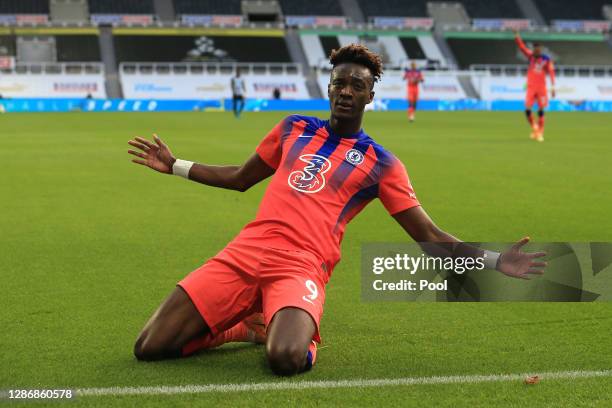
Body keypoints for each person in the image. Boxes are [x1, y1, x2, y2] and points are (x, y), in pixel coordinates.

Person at [127, 44, 546, 376]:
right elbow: (239, 176)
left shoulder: (383, 164)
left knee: (285, 360)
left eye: (356, 86)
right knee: (150, 348)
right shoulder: (293, 128)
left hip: (301, 266)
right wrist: (176, 165)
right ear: (328, 87)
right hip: (246, 252)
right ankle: (242, 327)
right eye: (339, 82)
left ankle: (273, 329)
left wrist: (495, 262)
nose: (346, 91)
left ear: (370, 96)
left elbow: (431, 238)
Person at [514, 30, 556, 142]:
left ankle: (540, 132)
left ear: (541, 49)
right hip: (531, 87)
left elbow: (551, 73)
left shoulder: (546, 60)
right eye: (534, 48)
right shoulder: (530, 56)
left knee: (541, 111)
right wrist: (517, 36)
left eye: (538, 48)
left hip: (541, 88)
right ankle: (534, 127)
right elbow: (522, 47)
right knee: (527, 109)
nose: (536, 50)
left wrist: (553, 87)